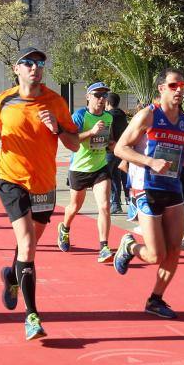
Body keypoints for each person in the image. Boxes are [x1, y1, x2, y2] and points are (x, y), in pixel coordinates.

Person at [0, 47, 79, 340]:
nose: (34, 68)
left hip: (44, 183)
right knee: (26, 245)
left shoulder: (56, 102)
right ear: (17, 69)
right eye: (28, 63)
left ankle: (12, 277)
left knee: (30, 244)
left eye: (39, 63)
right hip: (11, 179)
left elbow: (75, 144)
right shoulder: (3, 100)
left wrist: (57, 129)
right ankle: (32, 317)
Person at [112, 69, 184, 319]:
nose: (179, 90)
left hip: (173, 188)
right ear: (161, 89)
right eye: (174, 85)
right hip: (147, 187)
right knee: (156, 255)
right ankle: (130, 246)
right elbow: (120, 148)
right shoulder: (148, 115)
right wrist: (149, 161)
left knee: (175, 249)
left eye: (182, 85)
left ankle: (155, 299)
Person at [57, 82, 115, 262]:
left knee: (105, 206)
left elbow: (109, 139)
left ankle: (104, 246)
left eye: (105, 96)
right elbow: (70, 140)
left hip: (100, 167)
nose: (102, 99)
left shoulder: (108, 117)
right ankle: (64, 228)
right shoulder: (80, 116)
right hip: (80, 168)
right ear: (88, 97)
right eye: (97, 95)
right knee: (75, 207)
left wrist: (112, 145)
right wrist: (91, 132)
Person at [106, 92, 129, 214]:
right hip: (120, 151)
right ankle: (118, 204)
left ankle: (114, 203)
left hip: (109, 150)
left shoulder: (107, 116)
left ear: (108, 103)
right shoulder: (122, 115)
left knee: (108, 178)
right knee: (117, 177)